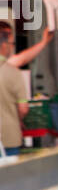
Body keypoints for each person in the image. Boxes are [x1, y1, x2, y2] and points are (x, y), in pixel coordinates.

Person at [0, 21, 28, 156]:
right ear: (4, 44)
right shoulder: (14, 73)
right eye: (12, 43)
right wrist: (19, 118)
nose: (12, 48)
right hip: (9, 137)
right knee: (11, 176)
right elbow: (23, 108)